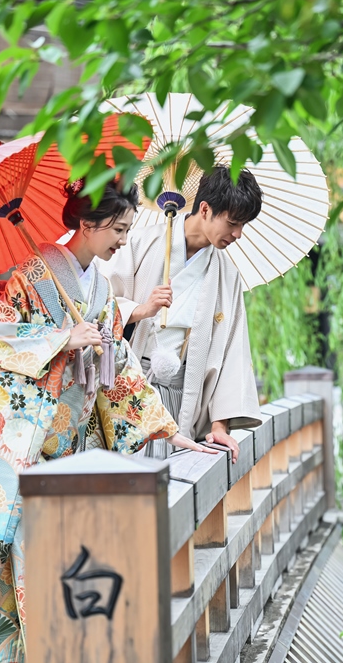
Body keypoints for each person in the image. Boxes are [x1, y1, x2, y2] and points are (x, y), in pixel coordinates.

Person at [0, 176, 216, 663]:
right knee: (1, 555)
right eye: (118, 228)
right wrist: (58, 341)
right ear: (86, 223)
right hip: (19, 443)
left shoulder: (95, 284)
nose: (123, 240)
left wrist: (170, 430)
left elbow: (117, 364)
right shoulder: (24, 273)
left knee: (52, 558)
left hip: (69, 446)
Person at [98, 166, 264, 463]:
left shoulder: (227, 275)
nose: (237, 234)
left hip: (182, 394)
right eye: (233, 223)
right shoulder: (139, 242)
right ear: (204, 209)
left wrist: (220, 426)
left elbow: (232, 355)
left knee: (172, 487)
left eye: (243, 226)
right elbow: (99, 303)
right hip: (130, 387)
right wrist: (140, 310)